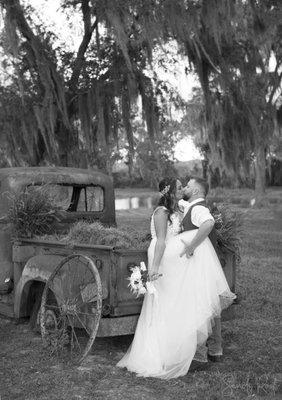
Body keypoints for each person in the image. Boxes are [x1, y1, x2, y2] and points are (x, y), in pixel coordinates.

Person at [117, 177, 235, 379]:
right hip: (161, 257)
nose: (182, 190)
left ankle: (180, 346)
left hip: (172, 257)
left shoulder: (177, 208)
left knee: (174, 300)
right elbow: (162, 242)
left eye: (184, 187)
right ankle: (161, 350)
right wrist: (153, 269)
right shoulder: (161, 212)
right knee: (163, 301)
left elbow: (194, 208)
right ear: (169, 191)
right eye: (180, 187)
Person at [179, 177, 227, 367]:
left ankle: (200, 353)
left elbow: (208, 224)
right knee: (210, 304)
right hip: (204, 264)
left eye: (188, 186)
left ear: (197, 192)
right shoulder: (193, 205)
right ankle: (216, 349)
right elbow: (182, 202)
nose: (185, 187)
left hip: (200, 264)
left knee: (200, 305)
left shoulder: (198, 209)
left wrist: (191, 246)